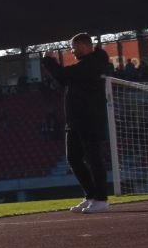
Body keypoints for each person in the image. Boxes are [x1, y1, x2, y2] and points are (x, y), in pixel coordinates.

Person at [41, 34, 112, 212]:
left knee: (94, 158)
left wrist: (48, 61)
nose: (72, 51)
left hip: (90, 118)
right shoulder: (86, 64)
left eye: (74, 47)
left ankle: (101, 199)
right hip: (75, 120)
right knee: (73, 158)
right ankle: (91, 196)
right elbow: (64, 78)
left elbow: (63, 75)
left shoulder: (94, 63)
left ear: (83, 46)